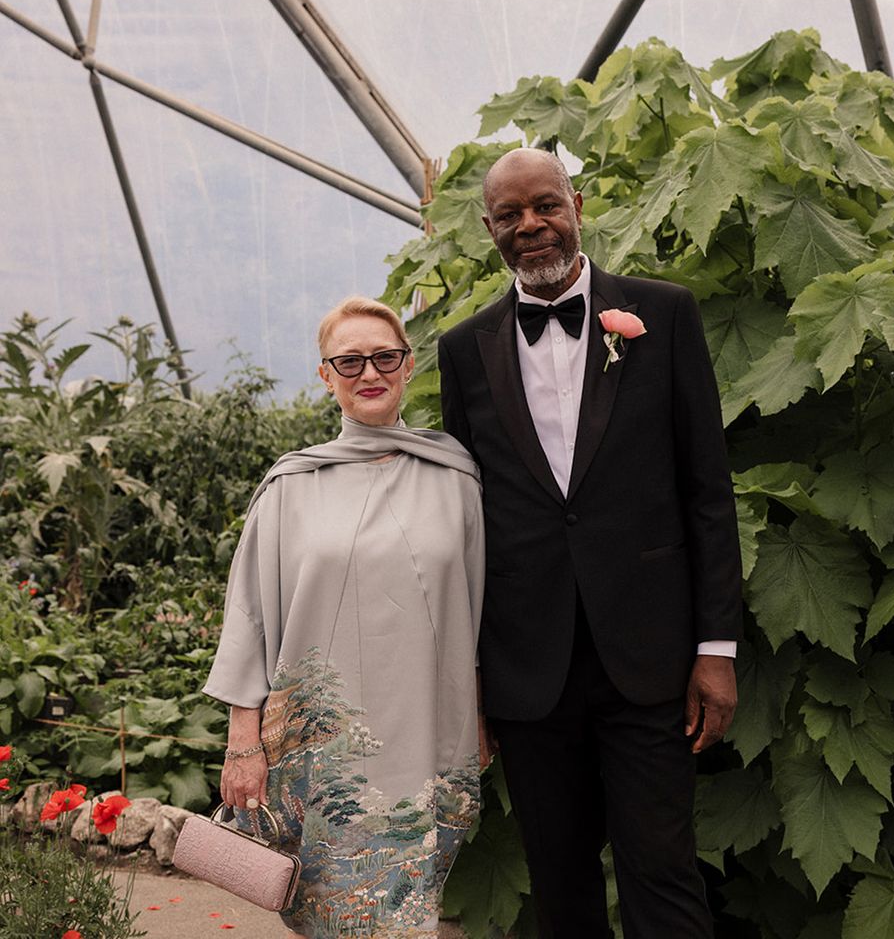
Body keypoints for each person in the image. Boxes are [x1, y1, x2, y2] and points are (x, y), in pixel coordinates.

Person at [437, 147, 743, 938]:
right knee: (561, 887)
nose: (530, 226)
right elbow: (468, 522)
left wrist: (716, 648)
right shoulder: (462, 347)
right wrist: (471, 679)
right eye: (509, 215)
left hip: (650, 662)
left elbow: (707, 493)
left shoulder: (664, 314)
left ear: (576, 203)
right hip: (528, 671)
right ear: (488, 228)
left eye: (544, 205)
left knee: (664, 875)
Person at [203, 297, 485, 939]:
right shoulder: (289, 488)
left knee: (411, 913)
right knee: (330, 915)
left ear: (409, 365)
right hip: (320, 752)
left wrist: (481, 715)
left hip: (429, 741)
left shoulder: (457, 478)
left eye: (384, 356)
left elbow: (480, 611)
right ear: (325, 375)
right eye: (349, 360)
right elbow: (246, 620)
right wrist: (243, 743)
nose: (369, 372)